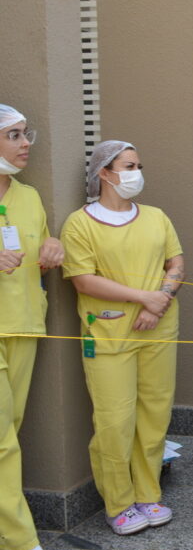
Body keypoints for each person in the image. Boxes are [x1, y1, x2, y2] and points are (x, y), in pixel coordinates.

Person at [61, 141, 184, 535]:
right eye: (129, 165)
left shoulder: (156, 217)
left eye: (138, 165)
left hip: (159, 328)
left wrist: (157, 301)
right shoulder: (79, 224)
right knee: (115, 420)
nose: (137, 172)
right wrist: (141, 297)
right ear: (105, 173)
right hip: (109, 334)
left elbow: (176, 262)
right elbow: (83, 278)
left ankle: (149, 494)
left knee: (154, 415)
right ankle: (119, 503)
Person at [0, 105, 63, 550]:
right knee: (1, 442)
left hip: (22, 325)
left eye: (27, 134)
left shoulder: (28, 196)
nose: (26, 144)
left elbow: (39, 255)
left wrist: (53, 247)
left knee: (10, 432)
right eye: (14, 135)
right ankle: (22, 541)